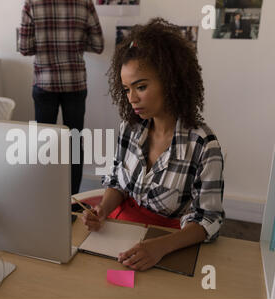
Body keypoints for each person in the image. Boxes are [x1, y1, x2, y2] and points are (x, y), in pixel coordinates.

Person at [82, 18, 225, 272]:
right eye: (126, 89)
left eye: (141, 86)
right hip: (119, 232)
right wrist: (102, 210)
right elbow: (117, 183)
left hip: (167, 242)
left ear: (171, 82)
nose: (132, 99)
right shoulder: (129, 128)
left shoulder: (203, 145)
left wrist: (160, 246)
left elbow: (208, 220)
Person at [19, 0, 104, 195]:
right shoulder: (85, 3)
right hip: (75, 83)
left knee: (43, 145)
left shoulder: (32, 4)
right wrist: (74, 44)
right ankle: (73, 200)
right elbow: (98, 45)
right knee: (75, 143)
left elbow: (24, 48)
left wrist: (45, 44)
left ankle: (45, 197)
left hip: (44, 83)